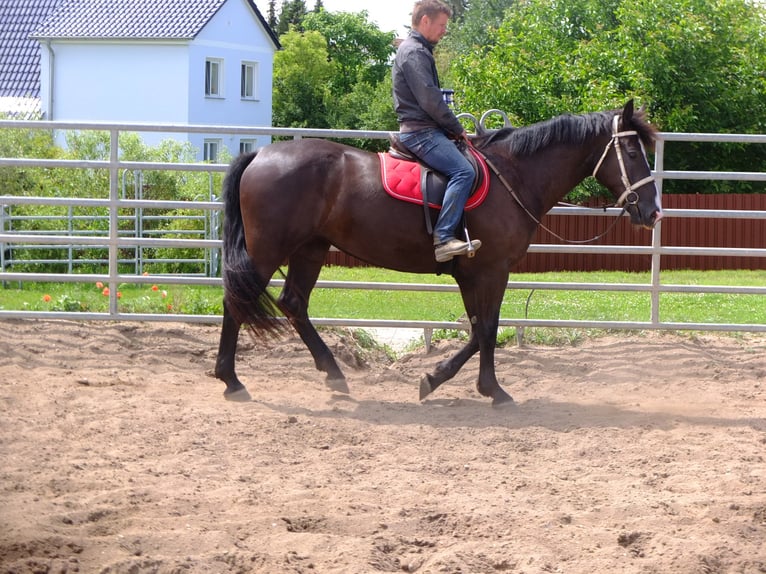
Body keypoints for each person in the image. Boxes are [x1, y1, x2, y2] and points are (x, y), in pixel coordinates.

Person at [392, 0, 481, 263]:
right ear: (425, 21)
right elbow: (430, 99)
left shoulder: (416, 50)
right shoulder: (415, 52)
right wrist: (456, 128)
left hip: (424, 129)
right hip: (421, 132)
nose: (445, 31)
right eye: (442, 25)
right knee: (464, 171)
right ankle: (443, 238)